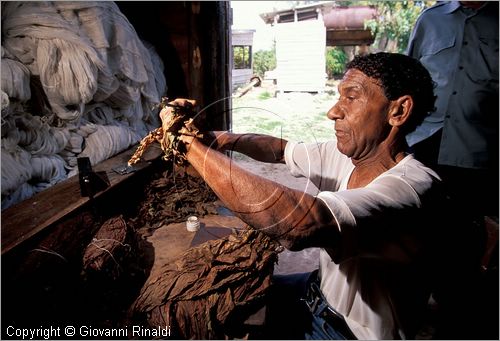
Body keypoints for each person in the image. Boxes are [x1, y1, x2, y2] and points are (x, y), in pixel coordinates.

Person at [165, 52, 443, 339]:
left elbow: (300, 224)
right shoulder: (347, 155)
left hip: (347, 333)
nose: (334, 111)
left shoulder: (412, 188)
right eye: (339, 97)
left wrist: (186, 144)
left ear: (398, 111)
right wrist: (213, 139)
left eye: (351, 98)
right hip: (316, 291)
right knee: (225, 298)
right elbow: (278, 148)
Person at [405, 2, 499, 338]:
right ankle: (406, 318)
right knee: (410, 239)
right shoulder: (431, 20)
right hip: (423, 146)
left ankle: (455, 322)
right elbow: (406, 81)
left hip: (480, 155)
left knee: (463, 250)